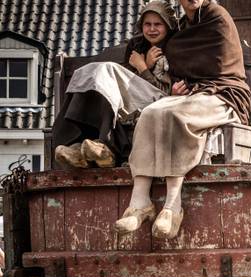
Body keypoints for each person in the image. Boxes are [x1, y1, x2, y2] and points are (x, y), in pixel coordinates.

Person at [115, 0, 251, 239]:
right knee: (152, 111)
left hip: (224, 94)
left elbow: (209, 63)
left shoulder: (216, 16)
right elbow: (179, 62)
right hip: (194, 94)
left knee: (175, 114)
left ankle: (172, 206)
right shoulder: (183, 26)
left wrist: (191, 82)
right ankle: (140, 202)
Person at [53, 0, 177, 168]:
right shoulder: (137, 48)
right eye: (147, 24)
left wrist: (143, 67)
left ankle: (106, 145)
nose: (152, 29)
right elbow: (130, 84)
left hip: (163, 103)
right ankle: (80, 143)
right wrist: (142, 64)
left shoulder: (174, 50)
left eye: (158, 24)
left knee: (106, 70)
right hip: (137, 98)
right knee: (89, 74)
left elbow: (165, 92)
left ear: (168, 26)